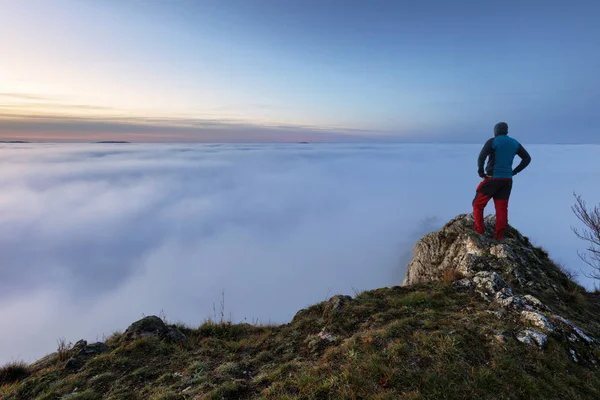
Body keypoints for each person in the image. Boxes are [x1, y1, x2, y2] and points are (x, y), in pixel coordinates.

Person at [473, 122, 531, 240]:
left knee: (477, 204)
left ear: (496, 131)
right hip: (507, 180)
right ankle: (499, 236)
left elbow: (481, 157)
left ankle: (479, 232)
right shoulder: (515, 143)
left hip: (492, 179)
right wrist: (514, 171)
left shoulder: (493, 141)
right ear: (506, 131)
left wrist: (480, 172)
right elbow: (527, 158)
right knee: (501, 208)